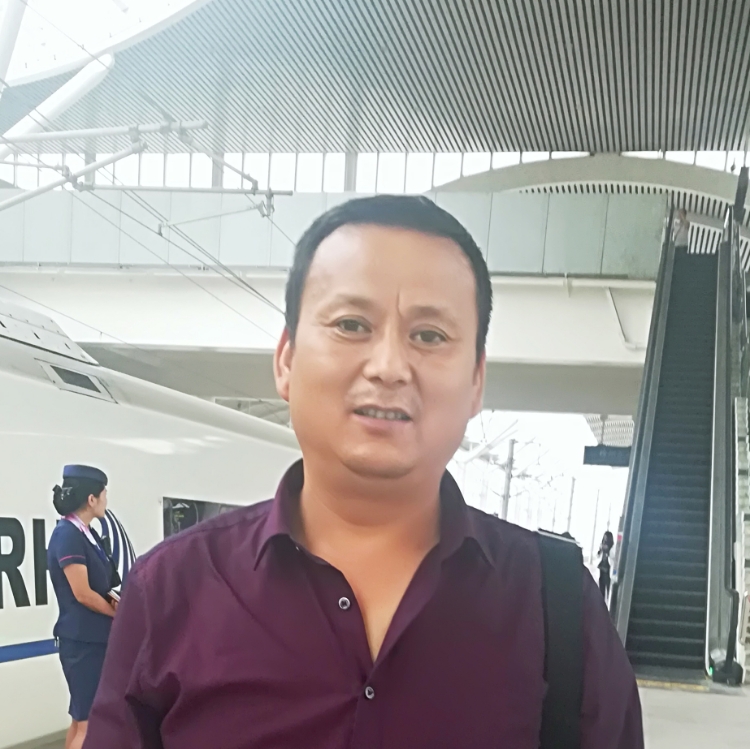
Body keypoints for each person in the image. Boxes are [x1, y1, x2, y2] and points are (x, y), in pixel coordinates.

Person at [85, 196, 643, 748]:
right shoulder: (169, 592)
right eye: (351, 324)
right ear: (286, 360)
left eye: (429, 335)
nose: (389, 367)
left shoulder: (558, 607)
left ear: (476, 380)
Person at [48, 465, 120, 749]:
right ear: (92, 499)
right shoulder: (68, 534)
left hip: (91, 640)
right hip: (83, 643)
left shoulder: (87, 534)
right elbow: (83, 593)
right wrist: (118, 614)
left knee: (80, 721)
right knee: (89, 725)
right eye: (104, 494)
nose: (106, 500)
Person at [598, 530, 615, 600]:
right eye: (604, 538)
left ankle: (607, 600)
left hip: (608, 569)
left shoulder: (612, 548)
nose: (605, 540)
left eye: (606, 538)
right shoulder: (602, 546)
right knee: (601, 586)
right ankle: (601, 600)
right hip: (602, 568)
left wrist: (607, 552)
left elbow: (613, 557)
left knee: (608, 587)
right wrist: (600, 550)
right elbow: (598, 556)